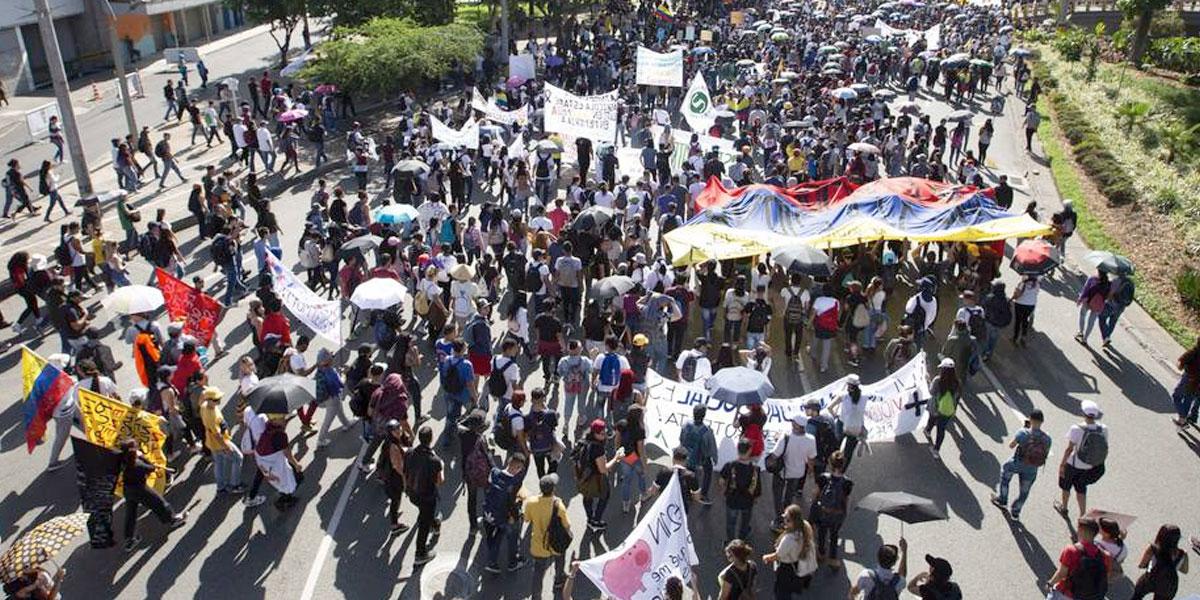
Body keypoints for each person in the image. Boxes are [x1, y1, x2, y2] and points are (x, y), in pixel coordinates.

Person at [118, 439, 187, 551]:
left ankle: (129, 540)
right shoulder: (137, 464)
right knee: (159, 503)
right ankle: (173, 519)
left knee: (131, 514)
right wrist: (142, 457)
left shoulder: (121, 460)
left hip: (128, 490)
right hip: (140, 489)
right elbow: (151, 468)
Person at [991, 409, 1052, 521]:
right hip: (1032, 469)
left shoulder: (1023, 433)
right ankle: (1015, 512)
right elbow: (1046, 454)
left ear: (1030, 419)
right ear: (1042, 421)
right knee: (1024, 492)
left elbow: (1011, 445)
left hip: (1017, 463)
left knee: (1005, 475)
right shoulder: (1047, 439)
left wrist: (1022, 431)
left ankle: (1002, 500)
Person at [1055, 400, 1108, 518]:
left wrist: (1062, 465)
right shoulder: (1103, 428)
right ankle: (1082, 514)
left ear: (1083, 413)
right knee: (1081, 489)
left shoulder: (1076, 428)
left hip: (1074, 464)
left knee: (1066, 487)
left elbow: (1069, 449)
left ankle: (1064, 508)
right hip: (1089, 466)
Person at [524, 473, 570, 598]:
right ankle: (558, 581)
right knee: (560, 562)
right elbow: (567, 525)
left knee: (538, 573)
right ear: (553, 489)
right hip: (556, 543)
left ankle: (536, 596)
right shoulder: (558, 504)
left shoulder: (531, 502)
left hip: (538, 544)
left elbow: (527, 519)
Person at [768, 414, 817, 530]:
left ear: (797, 425)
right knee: (789, 496)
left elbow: (775, 455)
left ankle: (779, 520)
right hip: (797, 473)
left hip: (782, 472)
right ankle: (787, 516)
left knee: (777, 495)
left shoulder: (786, 437)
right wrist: (810, 471)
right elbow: (811, 458)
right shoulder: (811, 439)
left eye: (793, 422)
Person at [575, 418, 624, 532]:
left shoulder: (583, 441)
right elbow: (603, 469)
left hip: (584, 476)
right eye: (601, 434)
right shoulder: (597, 448)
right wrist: (616, 458)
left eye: (605, 432)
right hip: (597, 478)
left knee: (587, 497)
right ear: (594, 433)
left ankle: (590, 518)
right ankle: (596, 521)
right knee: (605, 496)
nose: (604, 435)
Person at [483, 453, 529, 574]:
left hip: (489, 513)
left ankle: (492, 562)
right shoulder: (514, 482)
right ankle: (513, 563)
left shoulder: (494, 472)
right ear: (518, 468)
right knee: (512, 538)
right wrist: (515, 516)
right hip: (505, 516)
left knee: (497, 535)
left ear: (509, 461)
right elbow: (511, 504)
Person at [1046, 517, 1111, 600]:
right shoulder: (1105, 555)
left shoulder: (1071, 550)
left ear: (1081, 531)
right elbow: (1106, 577)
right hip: (1088, 596)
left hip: (1066, 593)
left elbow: (1062, 574)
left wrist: (1050, 583)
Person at [763, 504, 818, 598]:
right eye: (784, 518)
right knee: (789, 588)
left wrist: (766, 557)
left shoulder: (789, 539)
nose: (785, 521)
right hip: (796, 563)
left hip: (786, 568)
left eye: (788, 520)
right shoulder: (804, 527)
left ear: (794, 521)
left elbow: (778, 555)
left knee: (782, 592)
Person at [407, 425, 444, 566]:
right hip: (427, 496)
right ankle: (420, 554)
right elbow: (440, 481)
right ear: (431, 439)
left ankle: (434, 524)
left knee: (426, 514)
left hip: (413, 493)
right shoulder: (434, 460)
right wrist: (443, 467)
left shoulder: (410, 452)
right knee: (423, 524)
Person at [198, 387, 245, 494]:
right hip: (220, 443)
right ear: (209, 400)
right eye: (215, 399)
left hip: (211, 443)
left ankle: (221, 487)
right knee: (238, 458)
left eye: (219, 398)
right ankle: (235, 485)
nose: (218, 400)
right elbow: (217, 435)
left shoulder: (205, 406)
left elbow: (201, 400)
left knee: (219, 463)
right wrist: (226, 447)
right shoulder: (211, 415)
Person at [720, 438, 762, 544]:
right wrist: (755, 498)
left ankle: (730, 542)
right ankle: (741, 542)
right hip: (747, 501)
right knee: (744, 523)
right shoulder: (755, 469)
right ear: (749, 451)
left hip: (732, 500)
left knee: (731, 523)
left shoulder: (729, 466)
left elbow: (721, 481)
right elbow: (757, 487)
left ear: (737, 449)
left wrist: (725, 489)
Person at [255, 414, 302, 510]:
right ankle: (283, 501)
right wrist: (296, 464)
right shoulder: (280, 435)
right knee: (289, 479)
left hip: (263, 460)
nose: (284, 419)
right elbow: (287, 453)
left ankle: (285, 497)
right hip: (273, 463)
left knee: (280, 481)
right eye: (281, 418)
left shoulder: (268, 425)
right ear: (274, 420)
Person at [1130, 524, 1189, 599]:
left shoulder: (1152, 549)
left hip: (1150, 579)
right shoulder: (1182, 554)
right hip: (1167, 585)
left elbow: (1141, 565)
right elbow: (1185, 571)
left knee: (1137, 594)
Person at [614, 404, 650, 514]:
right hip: (635, 458)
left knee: (626, 480)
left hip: (624, 456)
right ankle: (644, 494)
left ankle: (626, 503)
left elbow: (617, 439)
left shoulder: (621, 424)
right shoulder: (640, 429)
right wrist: (645, 464)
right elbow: (641, 449)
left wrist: (618, 453)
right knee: (641, 475)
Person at [679, 405, 717, 505]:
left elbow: (681, 439)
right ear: (704, 416)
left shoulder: (686, 425)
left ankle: (687, 493)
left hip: (686, 455)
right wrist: (713, 457)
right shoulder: (706, 430)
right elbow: (710, 446)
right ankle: (703, 494)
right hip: (699, 457)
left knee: (688, 474)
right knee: (708, 470)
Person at [923, 358, 960, 459]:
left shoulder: (938, 380)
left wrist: (928, 380)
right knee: (941, 430)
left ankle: (927, 430)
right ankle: (936, 450)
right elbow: (957, 398)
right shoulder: (956, 383)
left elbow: (931, 392)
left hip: (936, 408)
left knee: (932, 419)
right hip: (947, 411)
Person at [826, 375, 867, 469]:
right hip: (856, 427)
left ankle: (833, 465)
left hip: (841, 423)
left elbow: (829, 407)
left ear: (848, 385)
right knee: (849, 451)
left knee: (836, 445)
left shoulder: (843, 396)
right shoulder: (865, 397)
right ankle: (843, 469)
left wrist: (835, 415)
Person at [1099, 272, 1134, 347]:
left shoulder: (1116, 281)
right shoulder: (1131, 282)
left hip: (1111, 305)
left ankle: (1105, 337)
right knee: (1113, 321)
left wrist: (1106, 300)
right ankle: (1107, 336)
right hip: (1121, 306)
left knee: (1102, 318)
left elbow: (1110, 294)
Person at [1075, 271, 1111, 346]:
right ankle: (1085, 339)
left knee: (1082, 315)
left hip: (1087, 301)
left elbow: (1085, 289)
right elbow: (1107, 297)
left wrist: (1080, 299)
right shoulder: (1108, 284)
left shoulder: (1092, 279)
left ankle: (1081, 332)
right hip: (1098, 305)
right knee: (1091, 322)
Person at [1173, 338, 1200, 428]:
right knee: (1188, 400)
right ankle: (1182, 422)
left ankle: (1183, 418)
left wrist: (1180, 366)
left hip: (1188, 378)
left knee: (1176, 396)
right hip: (1197, 384)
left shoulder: (1193, 352)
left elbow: (1180, 363)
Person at [1012, 274, 1040, 346]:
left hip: (1020, 304)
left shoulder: (1022, 284)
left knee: (1018, 321)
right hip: (1031, 305)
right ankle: (1023, 337)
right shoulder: (1037, 284)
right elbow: (1036, 293)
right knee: (1025, 320)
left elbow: (1016, 295)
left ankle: (1015, 338)